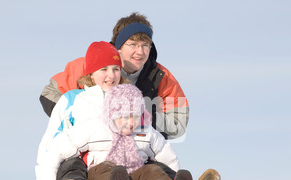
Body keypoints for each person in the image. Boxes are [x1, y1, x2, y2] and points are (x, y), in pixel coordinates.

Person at [36, 85, 220, 180]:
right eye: (124, 117)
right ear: (111, 114)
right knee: (104, 170)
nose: (130, 123)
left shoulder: (146, 132)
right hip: (102, 176)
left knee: (152, 171)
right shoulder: (93, 129)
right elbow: (55, 153)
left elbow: (167, 158)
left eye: (134, 117)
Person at [39, 12, 189, 140]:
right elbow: (49, 94)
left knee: (157, 168)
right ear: (118, 47)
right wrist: (81, 116)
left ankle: (172, 175)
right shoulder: (88, 66)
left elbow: (178, 123)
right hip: (87, 144)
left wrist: (139, 116)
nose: (140, 52)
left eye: (145, 45)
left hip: (138, 147)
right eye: (133, 45)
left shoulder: (160, 77)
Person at [31, 41, 129, 180]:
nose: (111, 76)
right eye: (104, 69)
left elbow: (145, 137)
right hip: (77, 165)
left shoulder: (129, 99)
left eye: (116, 69)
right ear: (91, 74)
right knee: (71, 166)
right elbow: (50, 143)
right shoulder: (71, 100)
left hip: (114, 167)